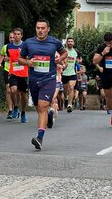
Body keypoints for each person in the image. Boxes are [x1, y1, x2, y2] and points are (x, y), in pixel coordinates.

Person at [18, 19, 68, 150]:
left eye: (43, 28)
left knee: (42, 106)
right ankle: (49, 117)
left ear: (48, 29)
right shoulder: (29, 43)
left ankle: (39, 137)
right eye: (38, 28)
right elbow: (20, 59)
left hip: (49, 79)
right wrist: (28, 63)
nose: (40, 30)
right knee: (38, 108)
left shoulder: (54, 42)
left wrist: (60, 59)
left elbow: (64, 53)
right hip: (34, 80)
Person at [6, 28, 28, 123]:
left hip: (23, 73)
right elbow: (7, 56)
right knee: (13, 90)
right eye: (15, 34)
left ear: (21, 35)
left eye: (18, 34)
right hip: (13, 72)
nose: (16, 36)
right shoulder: (9, 46)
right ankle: (15, 107)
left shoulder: (25, 45)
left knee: (23, 94)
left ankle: (23, 112)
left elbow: (29, 57)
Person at [0, 31, 15, 119]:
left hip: (17, 71)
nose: (12, 39)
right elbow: (1, 55)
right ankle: (10, 110)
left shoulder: (21, 47)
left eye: (13, 37)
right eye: (10, 38)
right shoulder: (5, 47)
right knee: (8, 90)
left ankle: (15, 107)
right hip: (7, 70)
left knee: (15, 91)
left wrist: (10, 58)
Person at [62, 37, 82, 113]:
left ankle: (69, 105)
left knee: (71, 87)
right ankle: (66, 98)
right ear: (67, 43)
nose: (70, 43)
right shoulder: (63, 51)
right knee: (65, 90)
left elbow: (79, 60)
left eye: (71, 41)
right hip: (64, 73)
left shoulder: (76, 52)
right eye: (69, 41)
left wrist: (79, 62)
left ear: (73, 43)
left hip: (72, 73)